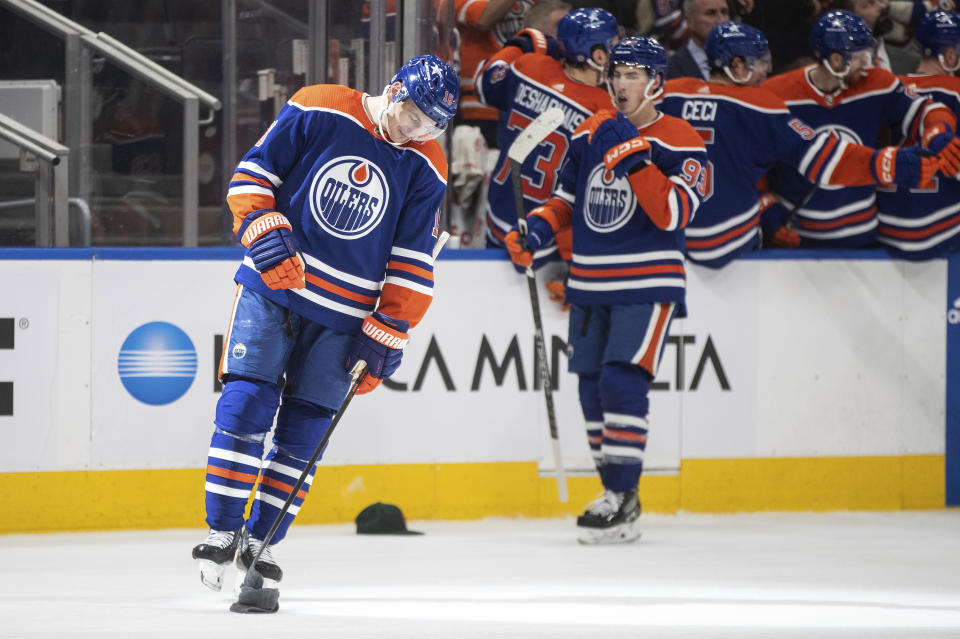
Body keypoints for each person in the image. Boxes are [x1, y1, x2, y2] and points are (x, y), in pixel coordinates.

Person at [190, 55, 457, 598]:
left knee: (304, 435)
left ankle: (262, 541)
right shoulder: (319, 105)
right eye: (413, 117)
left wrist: (389, 327)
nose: (417, 131)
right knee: (245, 405)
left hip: (345, 317)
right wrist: (262, 226)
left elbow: (413, 258)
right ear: (394, 90)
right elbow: (253, 175)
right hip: (274, 291)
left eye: (431, 126)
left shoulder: (427, 165)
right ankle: (221, 531)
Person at [506, 37, 708, 544]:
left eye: (633, 75)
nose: (620, 84)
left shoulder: (682, 138)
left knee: (622, 382)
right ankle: (615, 493)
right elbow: (565, 200)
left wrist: (635, 157)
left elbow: (673, 213)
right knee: (591, 389)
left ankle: (622, 494)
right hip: (590, 281)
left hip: (647, 281)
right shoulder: (588, 133)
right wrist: (538, 229)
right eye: (616, 74)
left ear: (657, 82)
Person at [659, 21, 944, 267]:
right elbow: (823, 158)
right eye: (758, 63)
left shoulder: (670, 93)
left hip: (675, 240)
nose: (764, 72)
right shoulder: (759, 106)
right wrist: (893, 164)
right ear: (736, 65)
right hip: (732, 244)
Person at [761, 9, 957, 248]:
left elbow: (927, 109)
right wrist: (767, 208)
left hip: (862, 237)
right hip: (798, 236)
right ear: (835, 60)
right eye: (858, 56)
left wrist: (937, 131)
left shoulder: (877, 84)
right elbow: (755, 159)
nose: (866, 63)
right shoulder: (777, 94)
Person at [477, 7, 619, 267]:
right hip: (546, 234)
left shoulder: (528, 65)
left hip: (498, 210)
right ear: (598, 55)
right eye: (612, 47)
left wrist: (523, 44)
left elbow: (486, 83)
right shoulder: (604, 109)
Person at [876, 9, 960, 259]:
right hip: (944, 226)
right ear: (950, 55)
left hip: (885, 220)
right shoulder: (956, 92)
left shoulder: (889, 88)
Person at [666, 0, 731, 80]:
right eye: (711, 13)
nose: (721, 20)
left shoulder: (743, 61)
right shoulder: (669, 70)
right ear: (690, 22)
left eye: (724, 12)